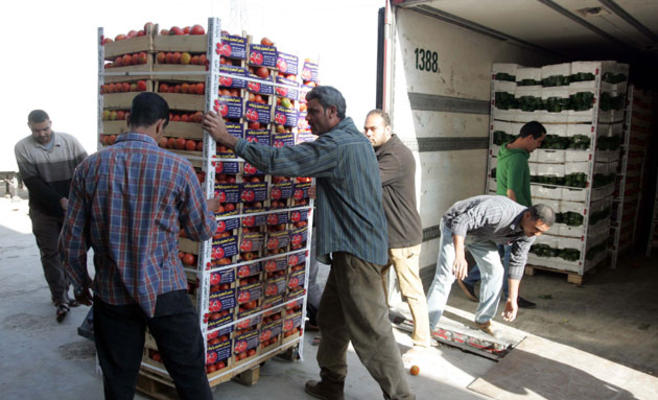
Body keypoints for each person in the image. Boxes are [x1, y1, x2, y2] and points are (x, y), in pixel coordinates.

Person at [203, 86, 414, 400]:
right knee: (331, 319)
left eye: (313, 111)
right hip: (354, 248)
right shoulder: (357, 140)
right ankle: (331, 383)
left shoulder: (336, 145)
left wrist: (230, 139)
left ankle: (401, 397)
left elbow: (280, 160)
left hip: (356, 252)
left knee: (372, 330)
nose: (308, 117)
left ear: (332, 112)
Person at [59, 93, 218, 400]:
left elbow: (71, 240)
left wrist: (80, 283)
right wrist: (208, 210)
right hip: (165, 290)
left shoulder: (89, 167)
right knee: (190, 376)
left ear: (127, 120)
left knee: (118, 382)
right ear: (161, 125)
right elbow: (201, 230)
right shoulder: (179, 168)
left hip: (112, 293)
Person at [426, 195, 554, 337]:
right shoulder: (500, 212)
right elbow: (461, 221)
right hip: (454, 226)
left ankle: (483, 320)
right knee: (445, 277)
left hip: (480, 236)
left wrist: (512, 299)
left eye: (542, 232)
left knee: (495, 272)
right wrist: (460, 256)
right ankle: (426, 327)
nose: (537, 234)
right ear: (527, 215)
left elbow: (517, 262)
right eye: (536, 229)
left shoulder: (529, 233)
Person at [363, 110, 430, 355]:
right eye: (366, 129)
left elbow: (365, 180)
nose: (368, 133)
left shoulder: (396, 156)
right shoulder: (381, 152)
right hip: (387, 236)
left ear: (387, 130)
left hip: (402, 237)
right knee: (373, 281)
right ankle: (381, 330)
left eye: (373, 129)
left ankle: (422, 341)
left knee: (411, 290)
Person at [458, 121, 546, 309]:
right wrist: (517, 222)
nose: (538, 146)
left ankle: (469, 279)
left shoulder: (506, 152)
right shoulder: (517, 159)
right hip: (515, 216)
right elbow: (511, 192)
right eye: (539, 141)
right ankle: (510, 296)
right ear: (530, 138)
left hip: (504, 213)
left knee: (497, 252)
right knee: (511, 257)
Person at [14, 109, 87, 322]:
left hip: (71, 209)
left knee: (70, 252)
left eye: (45, 129)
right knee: (51, 254)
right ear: (29, 127)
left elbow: (86, 169)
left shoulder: (69, 142)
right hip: (43, 210)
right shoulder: (22, 147)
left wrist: (78, 199)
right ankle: (60, 298)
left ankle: (67, 290)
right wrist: (59, 200)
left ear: (50, 123)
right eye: (37, 130)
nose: (42, 134)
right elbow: (32, 182)